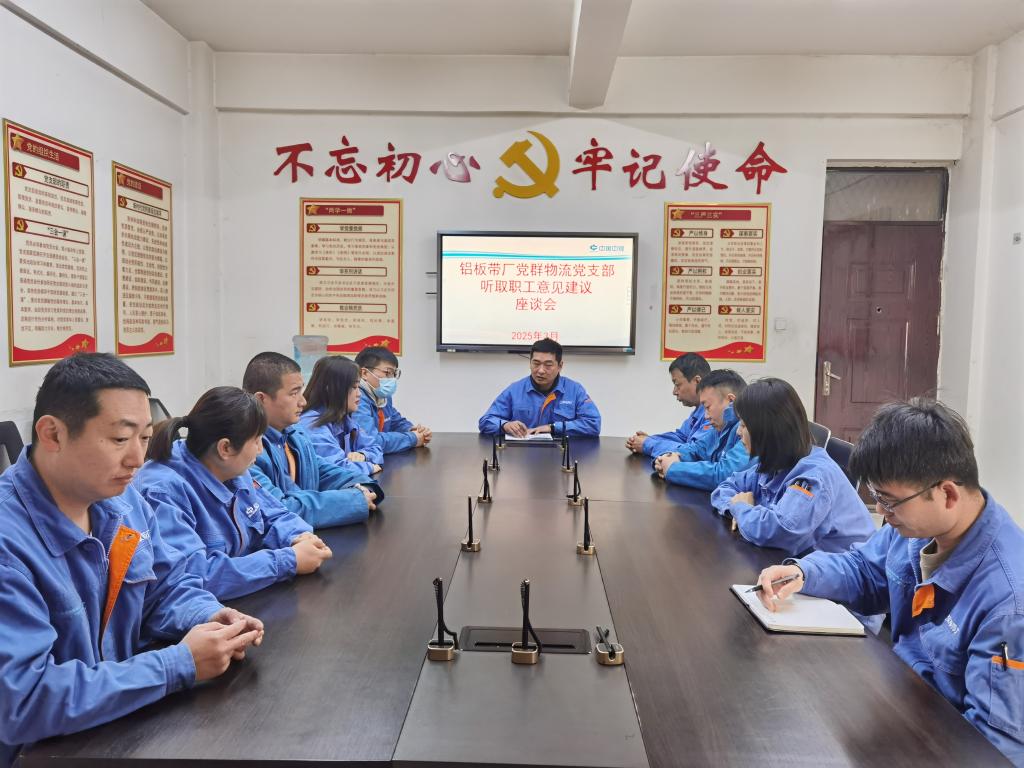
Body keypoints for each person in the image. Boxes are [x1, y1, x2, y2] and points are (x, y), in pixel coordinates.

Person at [0, 354, 263, 768]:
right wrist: (177, 664)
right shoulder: (8, 544)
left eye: (145, 437)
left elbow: (164, 588)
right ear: (52, 434)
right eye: (120, 439)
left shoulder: (123, 504)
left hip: (116, 730)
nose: (138, 459)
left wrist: (209, 615)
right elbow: (25, 699)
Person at [754, 399, 1024, 764]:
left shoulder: (1009, 604)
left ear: (947, 494)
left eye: (889, 501)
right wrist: (804, 572)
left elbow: (994, 749)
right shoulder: (915, 528)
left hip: (932, 747)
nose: (881, 511)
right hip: (895, 708)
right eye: (877, 497)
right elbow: (865, 570)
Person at [136, 386, 332, 601]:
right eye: (256, 440)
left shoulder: (232, 469)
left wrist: (299, 537)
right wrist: (287, 561)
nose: (260, 450)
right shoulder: (163, 492)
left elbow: (273, 514)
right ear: (225, 448)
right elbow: (195, 575)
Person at [710, 377, 875, 555]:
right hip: (802, 561)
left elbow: (779, 532)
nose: (738, 432)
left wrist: (741, 508)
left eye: (744, 425)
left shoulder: (814, 476)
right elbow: (724, 488)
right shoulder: (774, 463)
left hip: (845, 567)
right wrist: (738, 508)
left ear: (767, 429)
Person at [242, 352, 382, 529]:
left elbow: (325, 472)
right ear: (261, 399)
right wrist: (353, 500)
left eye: (301, 391)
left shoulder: (294, 436)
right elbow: (279, 508)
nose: (303, 401)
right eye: (294, 393)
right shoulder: (244, 451)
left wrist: (364, 486)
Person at [478, 337, 601, 437]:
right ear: (529, 363)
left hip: (561, 454)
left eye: (548, 365)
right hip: (522, 454)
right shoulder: (515, 390)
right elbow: (486, 421)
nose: (541, 370)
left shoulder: (574, 390)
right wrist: (504, 425)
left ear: (560, 366)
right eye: (536, 363)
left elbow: (593, 424)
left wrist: (553, 428)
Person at [653, 369, 753, 490]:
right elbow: (696, 449)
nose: (705, 416)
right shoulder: (720, 428)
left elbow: (725, 474)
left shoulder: (749, 429)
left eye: (707, 407)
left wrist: (673, 468)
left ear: (731, 401)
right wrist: (666, 458)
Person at [299, 355, 383, 475]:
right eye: (354, 387)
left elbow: (375, 448)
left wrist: (363, 455)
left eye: (358, 387)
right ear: (330, 388)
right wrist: (370, 467)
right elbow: (337, 468)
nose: (359, 394)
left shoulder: (343, 419)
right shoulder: (312, 424)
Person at [626, 352, 712, 456]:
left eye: (677, 384)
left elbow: (695, 451)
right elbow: (681, 437)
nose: (674, 392)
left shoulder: (714, 413)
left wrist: (648, 444)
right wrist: (650, 439)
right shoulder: (699, 411)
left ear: (697, 381)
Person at [353, 346, 431, 455]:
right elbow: (369, 441)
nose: (392, 379)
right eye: (387, 373)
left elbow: (394, 421)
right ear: (364, 373)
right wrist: (413, 438)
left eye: (394, 374)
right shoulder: (356, 398)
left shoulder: (382, 395)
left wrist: (413, 430)